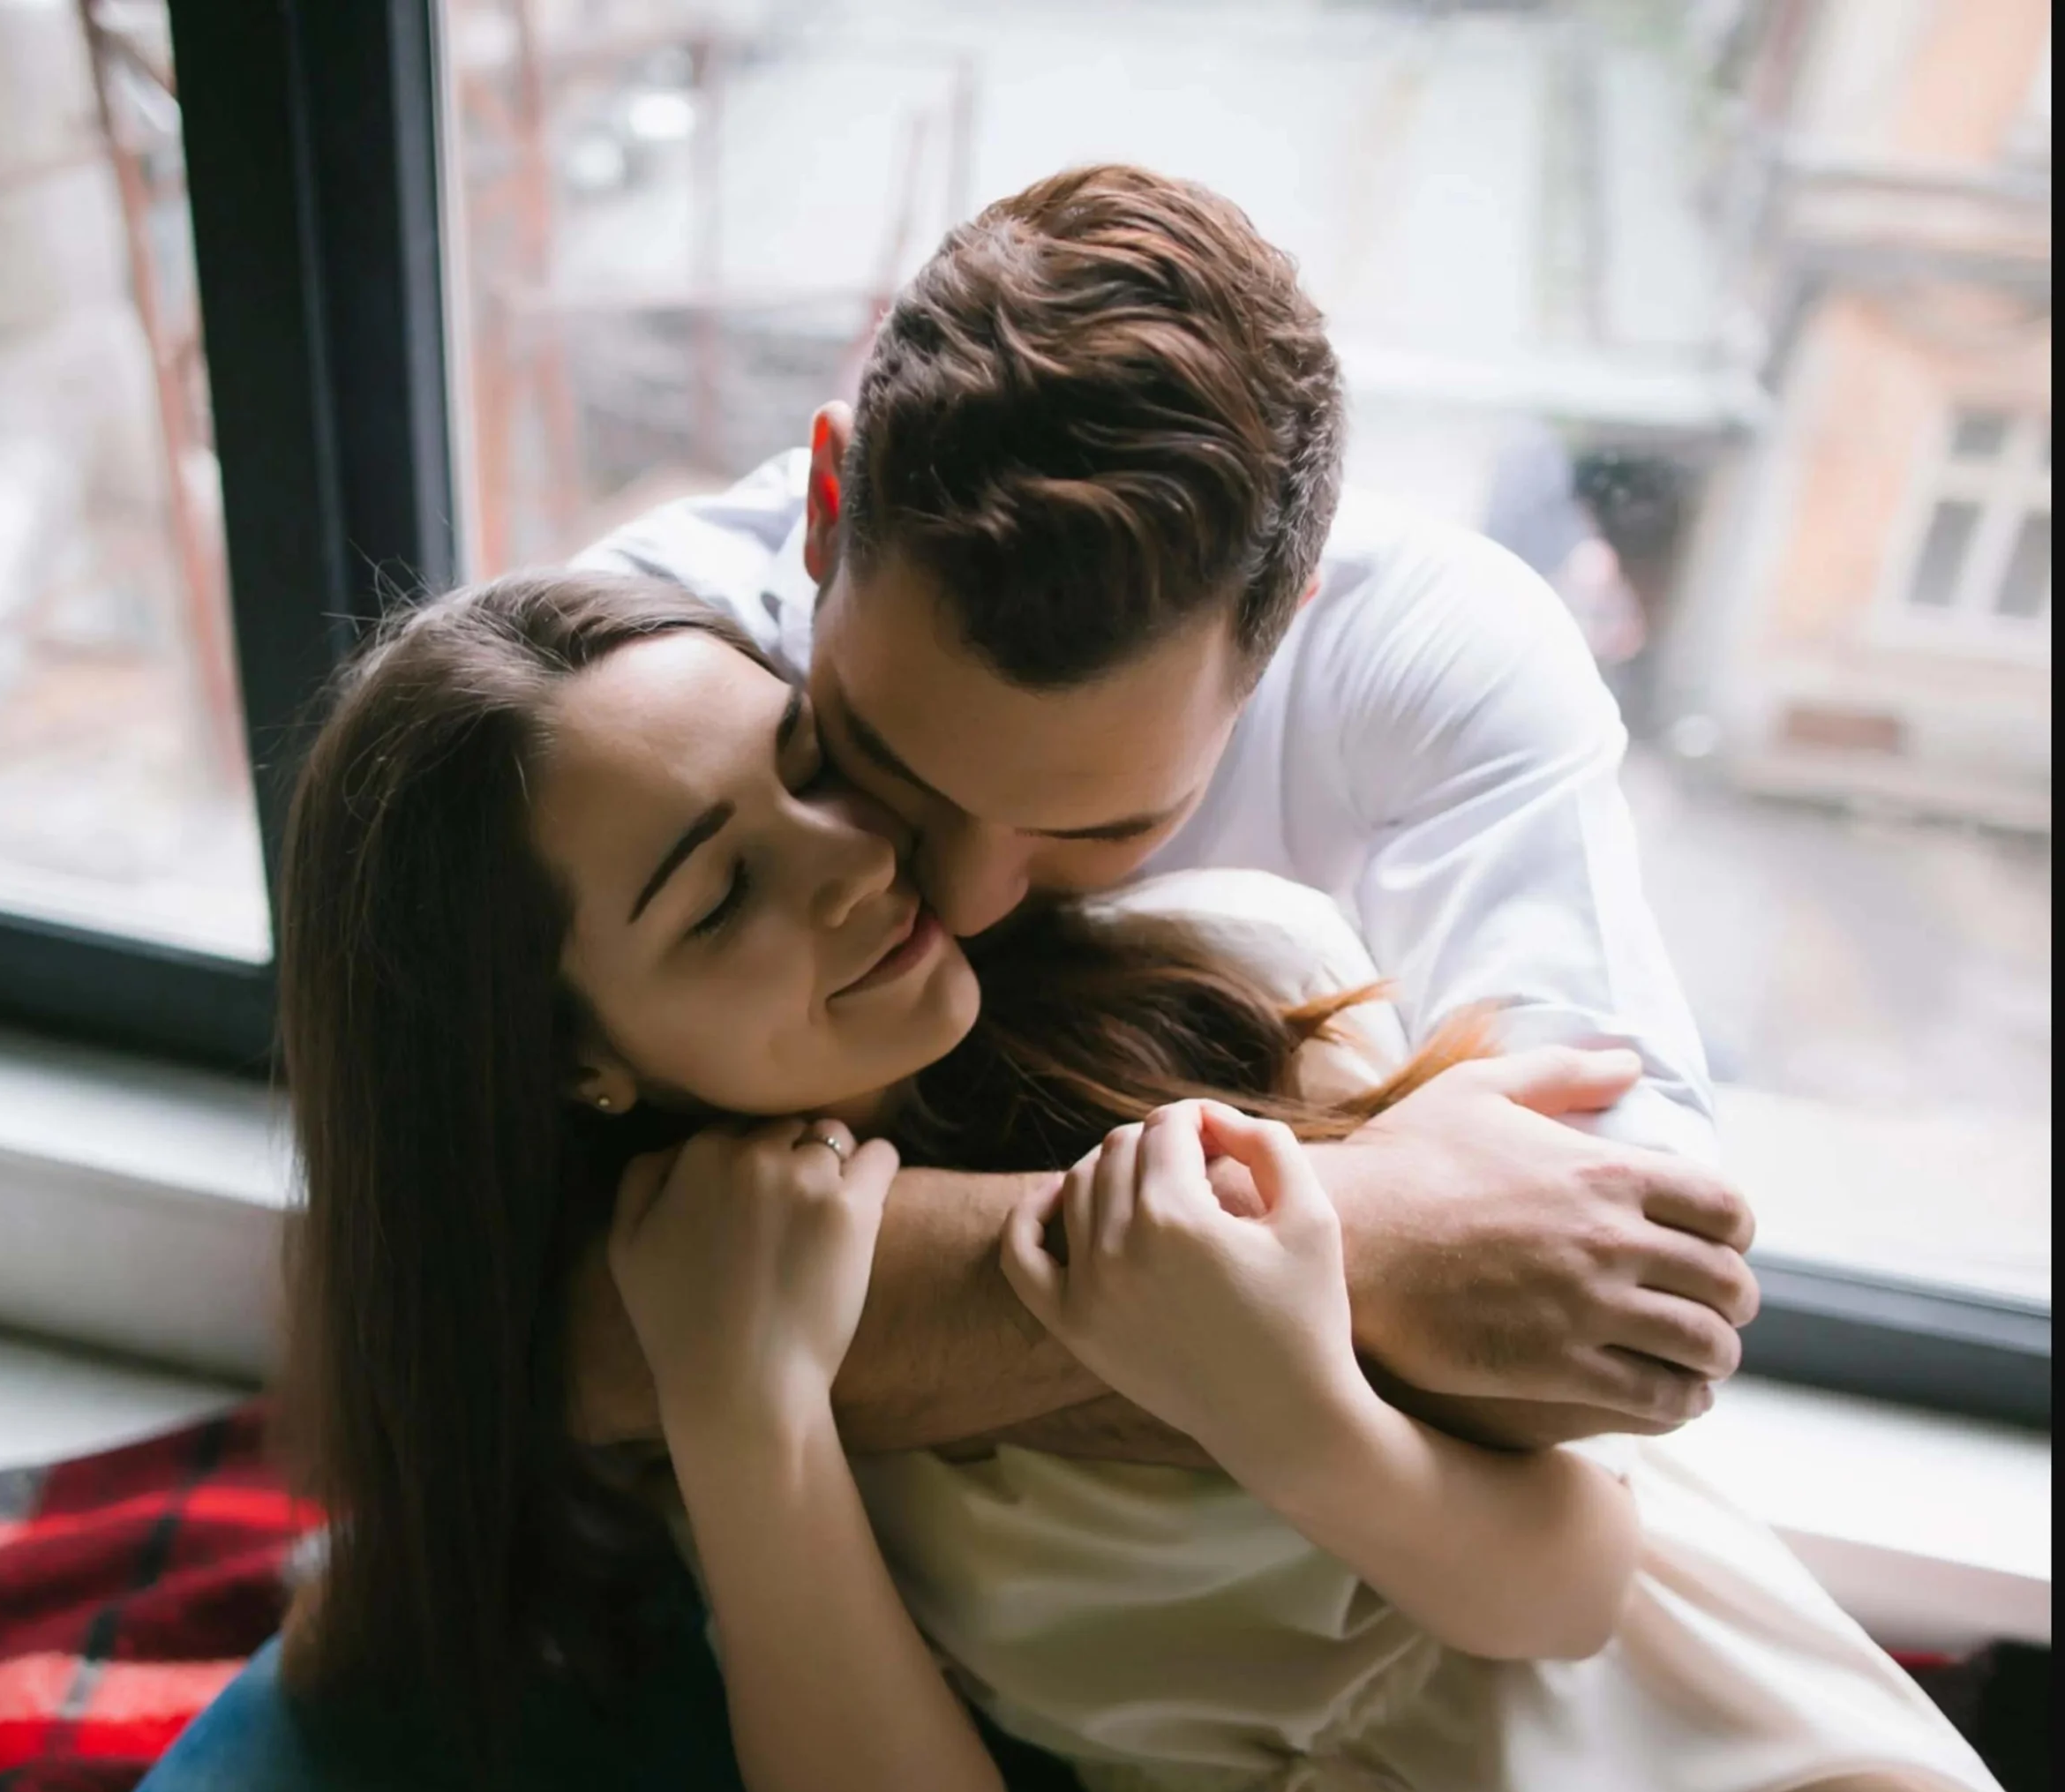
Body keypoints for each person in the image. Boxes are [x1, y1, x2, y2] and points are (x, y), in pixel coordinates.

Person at [106, 573, 2031, 1792]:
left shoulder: (1227, 974)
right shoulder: (693, 1324)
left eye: (802, 763)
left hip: (1676, 1763)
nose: (852, 863)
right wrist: (753, 1411)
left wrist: (1281, 1396)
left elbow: (1567, 1587)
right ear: (571, 1064)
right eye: (715, 897)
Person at [560, 164, 1756, 1473]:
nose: (960, 900)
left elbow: (1632, 1318)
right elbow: (554, 1333)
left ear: (1293, 610)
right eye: (874, 762)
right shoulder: (628, 677)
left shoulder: (1433, 658)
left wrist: (864, 1308)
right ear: (827, 507)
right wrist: (1359, 1232)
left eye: (1099, 825)